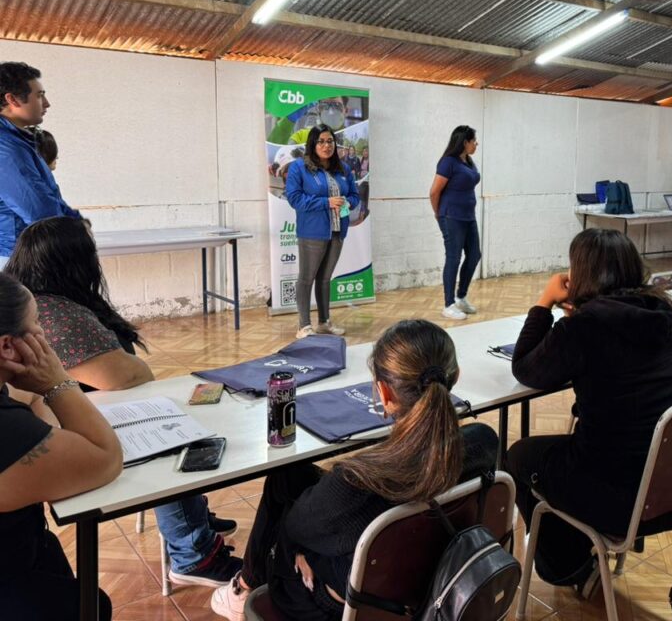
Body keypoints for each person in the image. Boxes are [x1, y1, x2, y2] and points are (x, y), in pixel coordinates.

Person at [4, 217, 243, 587]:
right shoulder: (57, 315)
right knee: (169, 436)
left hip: (66, 418)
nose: (41, 334)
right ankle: (192, 553)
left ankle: (194, 519)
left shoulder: (28, 299)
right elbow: (128, 377)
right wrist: (55, 384)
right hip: (84, 425)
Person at [209, 319, 498, 621]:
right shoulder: (484, 442)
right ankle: (244, 584)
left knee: (287, 525)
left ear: (384, 394)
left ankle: (243, 588)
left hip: (346, 605)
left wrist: (310, 558)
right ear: (456, 376)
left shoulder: (356, 482)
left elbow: (295, 529)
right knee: (289, 475)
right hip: (437, 577)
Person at [505, 229, 672, 595]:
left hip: (623, 497)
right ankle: (580, 547)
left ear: (582, 273)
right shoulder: (663, 312)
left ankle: (569, 567)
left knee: (517, 458)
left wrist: (545, 301)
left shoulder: (585, 327)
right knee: (563, 457)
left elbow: (525, 368)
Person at [0, 274, 122, 620]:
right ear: (7, 346)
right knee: (92, 605)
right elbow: (105, 457)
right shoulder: (8, 431)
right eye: (36, 324)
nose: (44, 333)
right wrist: (57, 381)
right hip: (12, 588)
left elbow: (45, 428)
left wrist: (35, 392)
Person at [0, 62, 81, 269]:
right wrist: (77, 233)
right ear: (12, 99)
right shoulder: (5, 148)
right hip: (14, 256)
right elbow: (39, 211)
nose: (47, 103)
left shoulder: (17, 141)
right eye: (39, 95)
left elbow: (47, 198)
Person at [286, 124, 360, 339]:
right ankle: (304, 326)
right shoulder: (299, 167)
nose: (326, 146)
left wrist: (347, 202)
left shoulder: (343, 168)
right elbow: (295, 199)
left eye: (330, 141)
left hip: (337, 230)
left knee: (325, 278)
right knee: (306, 278)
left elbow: (355, 196)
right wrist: (326, 202)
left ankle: (324, 323)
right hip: (312, 231)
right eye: (321, 142)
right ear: (312, 144)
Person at [429, 125, 482, 320]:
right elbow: (434, 192)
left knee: (474, 254)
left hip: (468, 216)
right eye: (473, 141)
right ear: (465, 142)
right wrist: (439, 214)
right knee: (453, 258)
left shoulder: (468, 161)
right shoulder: (448, 162)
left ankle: (461, 297)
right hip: (451, 216)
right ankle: (448, 304)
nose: (476, 144)